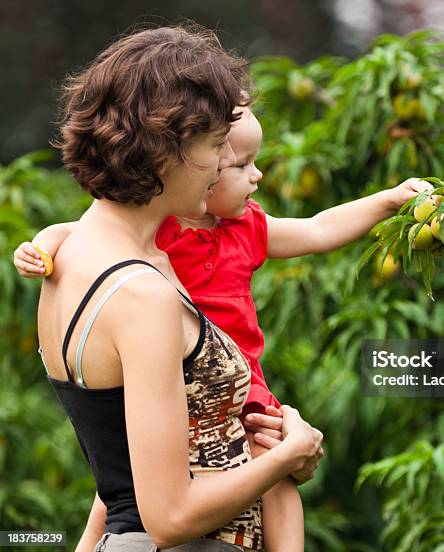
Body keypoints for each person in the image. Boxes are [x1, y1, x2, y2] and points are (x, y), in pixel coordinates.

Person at [16, 106, 432, 551]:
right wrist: (39, 248)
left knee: (274, 475)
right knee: (139, 479)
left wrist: (388, 200)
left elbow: (317, 227)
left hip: (236, 381)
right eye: (234, 161)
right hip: (186, 380)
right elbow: (74, 230)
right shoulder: (160, 230)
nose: (254, 177)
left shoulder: (244, 229)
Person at [26, 24, 324, 552]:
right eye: (215, 146)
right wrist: (288, 454)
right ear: (173, 148)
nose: (219, 165)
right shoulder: (142, 295)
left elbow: (119, 468)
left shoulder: (69, 258)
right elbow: (168, 517)